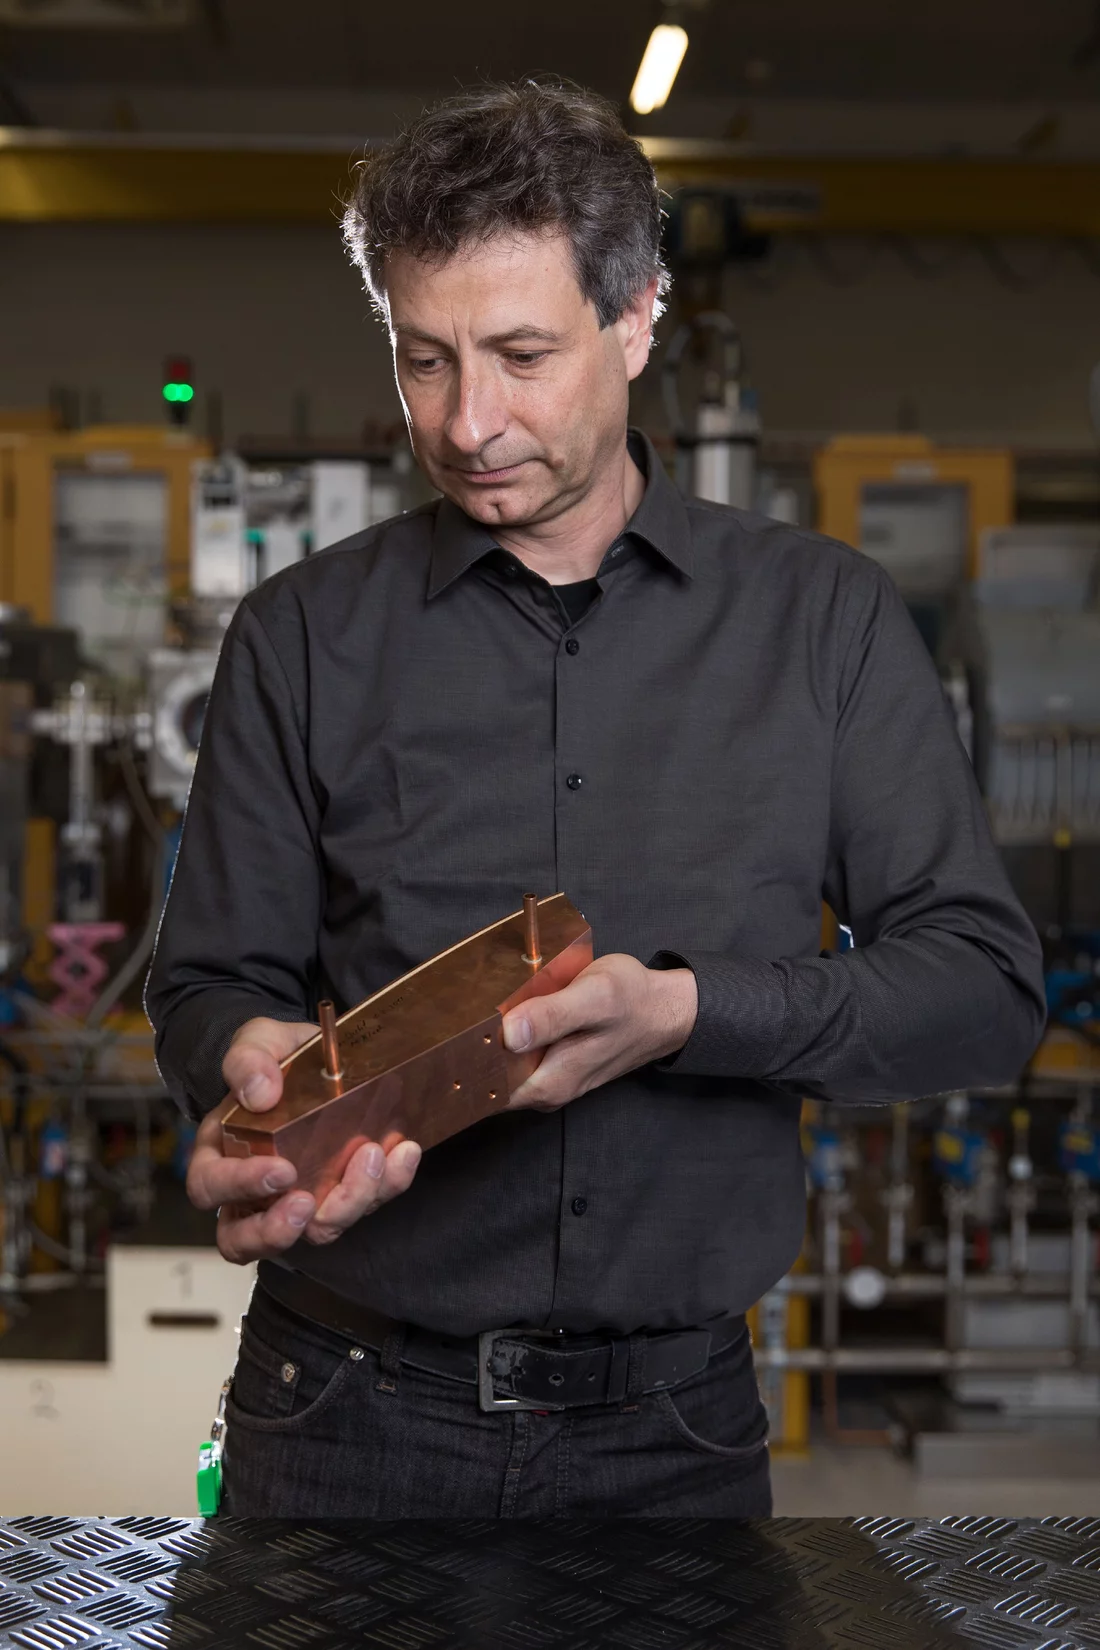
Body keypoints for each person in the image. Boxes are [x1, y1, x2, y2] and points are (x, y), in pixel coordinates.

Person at [145, 79, 1045, 1518]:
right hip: (340, 1411)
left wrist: (687, 1013)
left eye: (521, 356)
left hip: (673, 1434)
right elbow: (208, 981)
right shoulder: (303, 636)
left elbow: (983, 990)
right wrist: (249, 1062)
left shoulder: (823, 622)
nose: (469, 420)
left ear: (637, 320)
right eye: (425, 359)